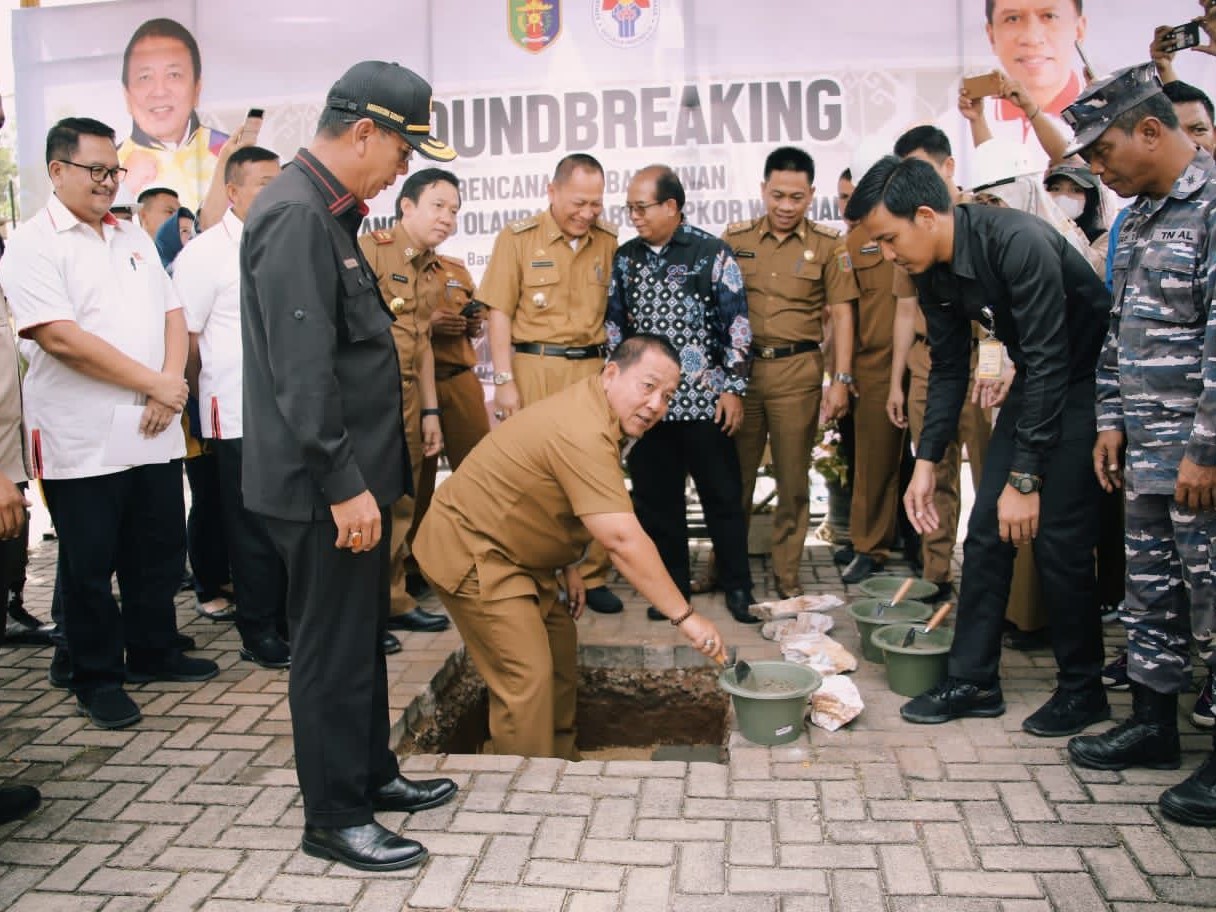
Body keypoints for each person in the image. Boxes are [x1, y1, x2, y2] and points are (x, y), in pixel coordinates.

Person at [240, 61, 458, 872]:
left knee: (362, 641)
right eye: (403, 150)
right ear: (364, 131)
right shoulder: (296, 215)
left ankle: (369, 774)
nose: (405, 167)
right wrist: (344, 486)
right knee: (330, 651)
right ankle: (333, 815)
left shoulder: (326, 213)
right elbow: (303, 376)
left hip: (353, 483)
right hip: (323, 491)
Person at [848, 154, 1111, 737]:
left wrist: (1025, 479)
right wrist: (924, 461)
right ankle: (974, 681)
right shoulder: (931, 268)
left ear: (926, 215)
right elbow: (946, 369)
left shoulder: (1016, 242)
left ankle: (1082, 689)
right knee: (987, 532)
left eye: (890, 238)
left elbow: (1049, 358)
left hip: (1084, 383)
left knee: (1058, 541)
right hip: (1039, 383)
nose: (888, 254)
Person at [0, 117, 219, 731]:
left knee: (155, 548)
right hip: (82, 435)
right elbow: (60, 338)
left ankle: (153, 649)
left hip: (151, 424)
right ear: (56, 171)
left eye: (113, 171)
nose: (107, 183)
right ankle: (94, 674)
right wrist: (151, 383)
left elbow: (174, 312)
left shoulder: (129, 235)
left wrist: (170, 386)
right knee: (89, 564)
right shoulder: (32, 243)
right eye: (95, 170)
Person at [414, 334, 729, 758]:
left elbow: (556, 495)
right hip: (473, 549)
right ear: (612, 373)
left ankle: (559, 763)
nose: (657, 404)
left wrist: (568, 564)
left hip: (518, 553)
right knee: (526, 676)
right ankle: (523, 787)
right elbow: (621, 539)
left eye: (668, 395)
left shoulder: (598, 411)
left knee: (560, 648)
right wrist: (685, 617)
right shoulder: (582, 427)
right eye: (648, 386)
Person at [1062, 63, 1216, 827]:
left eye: (1103, 150)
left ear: (1152, 131)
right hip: (1146, 454)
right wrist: (1112, 420)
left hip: (1198, 459)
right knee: (1148, 596)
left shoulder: (1215, 206)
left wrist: (1207, 450)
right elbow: (1119, 336)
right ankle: (1154, 727)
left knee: (1214, 601)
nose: (1097, 168)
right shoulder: (1144, 217)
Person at [605, 166, 755, 624]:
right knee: (656, 502)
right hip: (646, 410)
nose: (633, 216)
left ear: (671, 206)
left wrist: (732, 389)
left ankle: (739, 588)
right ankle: (669, 589)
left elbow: (738, 325)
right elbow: (615, 325)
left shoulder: (712, 252)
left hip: (702, 403)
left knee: (722, 497)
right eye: (629, 207)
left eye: (641, 207)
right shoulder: (626, 258)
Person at [481, 154, 623, 615]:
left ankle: (594, 573)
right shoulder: (518, 239)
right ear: (552, 192)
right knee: (535, 477)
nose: (587, 213)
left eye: (596, 204)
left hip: (591, 372)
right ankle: (535, 572)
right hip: (534, 367)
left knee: (595, 472)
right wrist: (503, 381)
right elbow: (498, 311)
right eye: (578, 202)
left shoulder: (609, 243)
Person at [174, 144, 290, 669]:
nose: (276, 190)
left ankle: (290, 620)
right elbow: (188, 339)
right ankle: (258, 628)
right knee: (249, 527)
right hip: (237, 413)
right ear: (234, 192)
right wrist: (199, 405)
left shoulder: (290, 239)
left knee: (290, 523)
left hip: (292, 412)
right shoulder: (204, 254)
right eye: (264, 182)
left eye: (280, 180)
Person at [723, 147, 858, 595]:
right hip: (742, 378)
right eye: (777, 195)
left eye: (796, 197)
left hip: (797, 374)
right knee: (733, 479)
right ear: (763, 190)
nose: (785, 206)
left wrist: (840, 380)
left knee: (793, 481)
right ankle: (729, 567)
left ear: (811, 195)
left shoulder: (827, 244)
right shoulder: (734, 239)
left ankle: (786, 573)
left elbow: (841, 315)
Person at [359, 168, 477, 634]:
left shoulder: (432, 269)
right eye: (438, 206)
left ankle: (393, 600)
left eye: (454, 211)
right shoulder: (370, 250)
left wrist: (430, 411)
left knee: (405, 500)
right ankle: (364, 610)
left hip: (409, 399)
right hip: (369, 399)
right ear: (406, 206)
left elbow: (423, 342)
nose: (447, 217)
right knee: (370, 503)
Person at [888, 126, 992, 603]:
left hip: (984, 362)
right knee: (932, 468)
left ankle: (994, 584)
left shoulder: (984, 218)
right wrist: (896, 381)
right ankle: (935, 576)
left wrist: (996, 364)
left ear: (948, 168)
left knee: (987, 475)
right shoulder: (906, 234)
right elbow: (906, 308)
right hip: (931, 359)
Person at [116, 17, 253, 229]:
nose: (159, 91)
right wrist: (122, 188)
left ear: (197, 88)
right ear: (126, 95)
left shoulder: (228, 151)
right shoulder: (113, 168)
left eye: (174, 75)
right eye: (145, 77)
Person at [962, 0, 1086, 168]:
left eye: (1049, 16)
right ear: (991, 35)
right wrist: (977, 121)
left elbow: (1081, 171)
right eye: (1013, 19)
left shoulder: (1104, 114)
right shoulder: (956, 127)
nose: (1032, 38)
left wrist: (1031, 110)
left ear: (1079, 29)